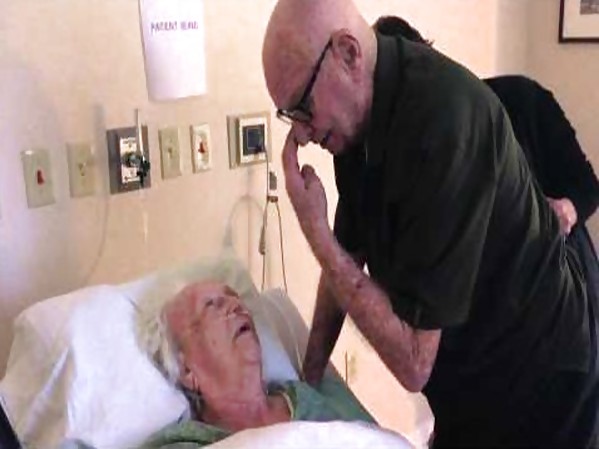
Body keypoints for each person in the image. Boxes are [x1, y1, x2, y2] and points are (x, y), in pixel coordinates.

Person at [261, 0, 599, 446]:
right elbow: (348, 254)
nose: (302, 134)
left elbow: (414, 363)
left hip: (544, 382)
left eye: (303, 107)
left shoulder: (444, 121)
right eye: (291, 116)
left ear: (348, 53)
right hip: (471, 373)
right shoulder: (355, 126)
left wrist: (314, 231)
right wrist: (309, 381)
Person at [136, 281, 375, 448]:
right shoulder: (182, 444)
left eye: (234, 296)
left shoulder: (310, 396)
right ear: (187, 370)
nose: (236, 305)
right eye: (211, 305)